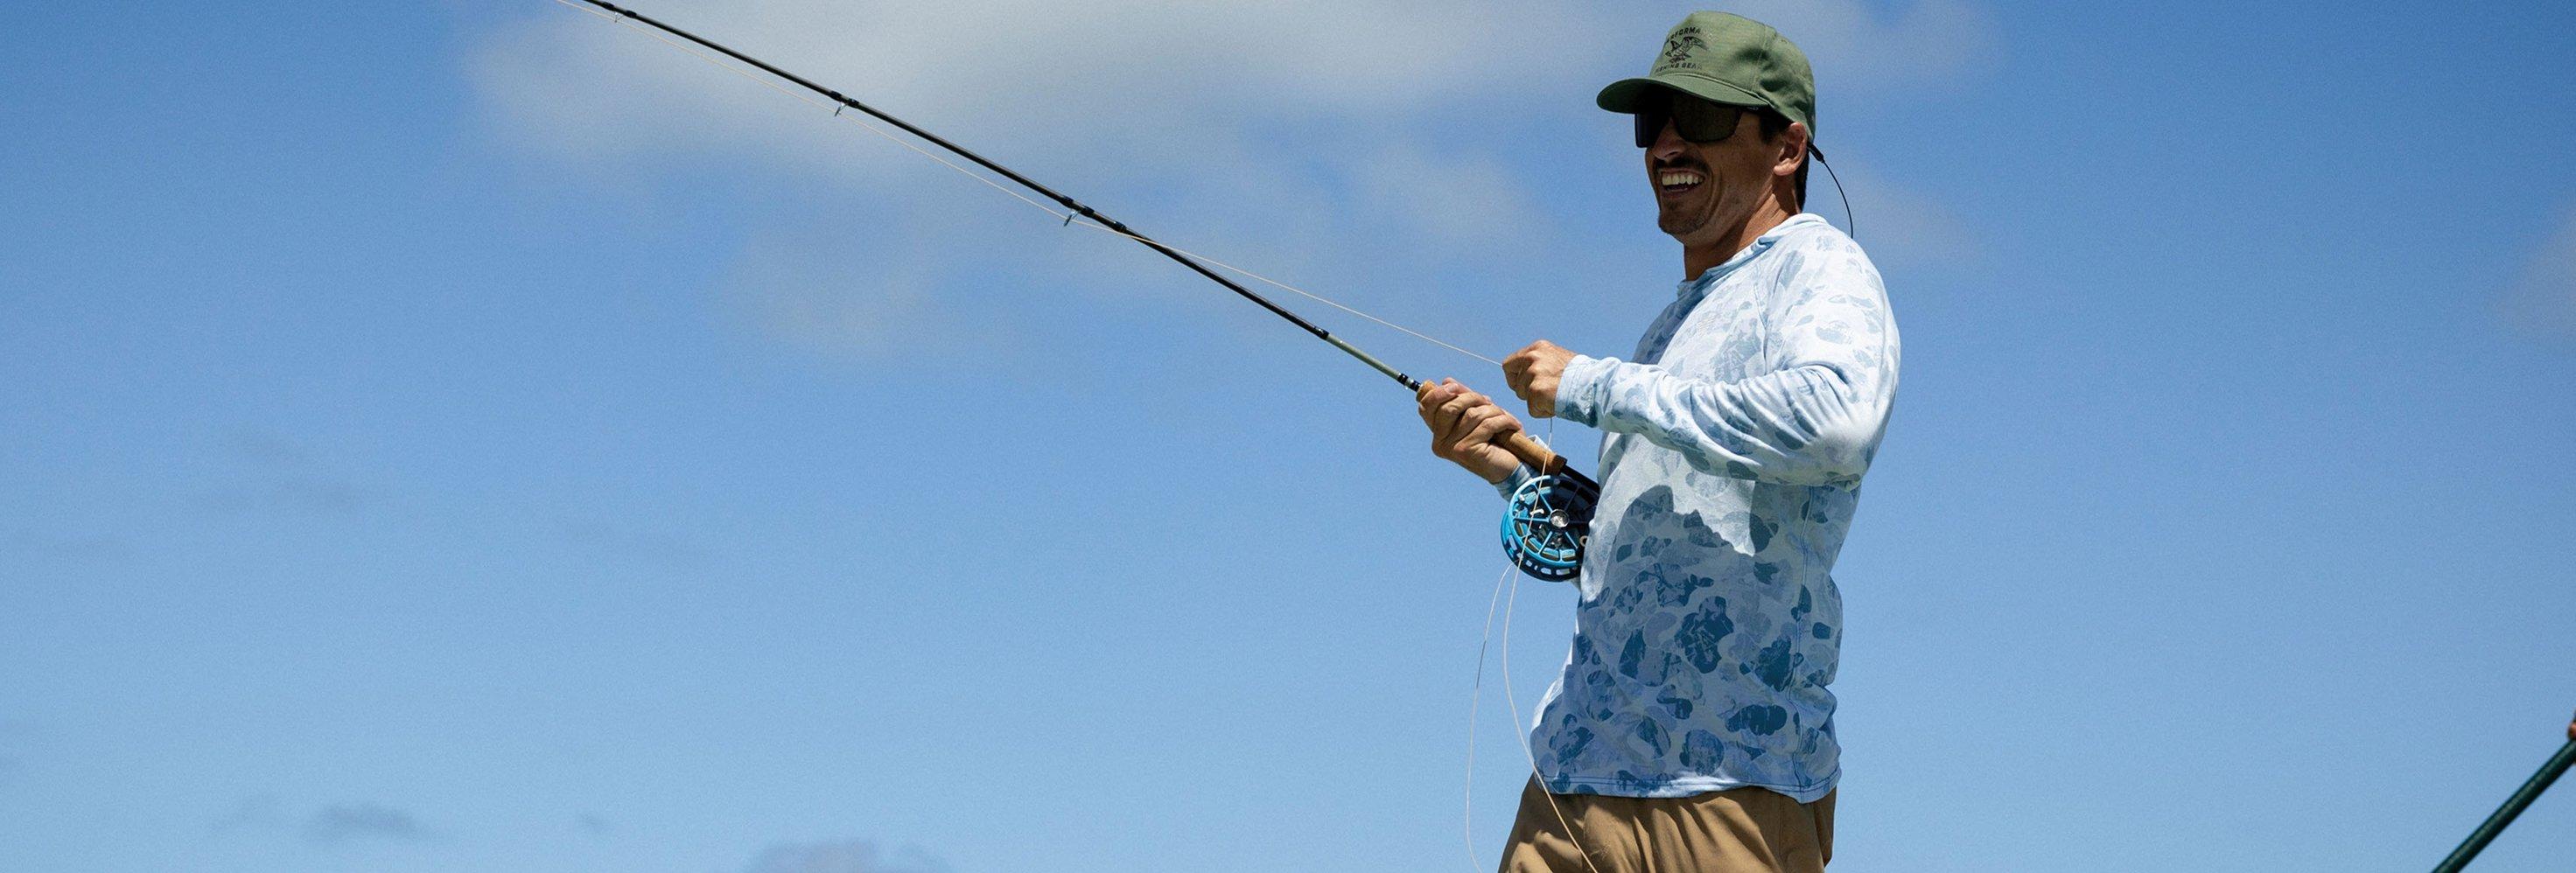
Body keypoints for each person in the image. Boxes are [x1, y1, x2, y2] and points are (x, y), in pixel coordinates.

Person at [1417, 11, 1900, 871]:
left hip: (1728, 789)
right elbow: (1645, 544)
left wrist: (1593, 385)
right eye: (1653, 123)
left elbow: (1834, 421)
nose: (1667, 143)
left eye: (1704, 120)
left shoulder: (1820, 270)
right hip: (1573, 781)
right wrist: (1505, 467)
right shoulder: (1667, 329)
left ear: (1786, 148)